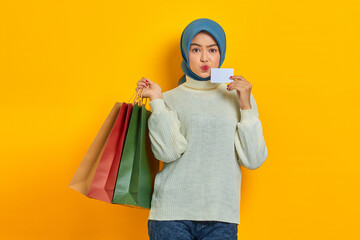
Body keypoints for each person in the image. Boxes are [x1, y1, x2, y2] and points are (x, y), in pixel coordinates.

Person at [136, 18, 268, 240]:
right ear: (185, 52)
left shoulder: (239, 97)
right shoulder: (169, 99)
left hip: (221, 217)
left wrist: (246, 106)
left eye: (212, 50)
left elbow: (253, 159)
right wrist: (157, 101)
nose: (204, 58)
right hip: (171, 216)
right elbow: (167, 153)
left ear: (221, 53)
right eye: (195, 49)